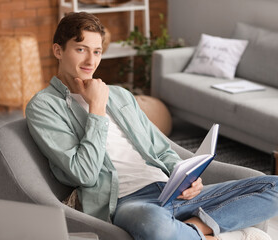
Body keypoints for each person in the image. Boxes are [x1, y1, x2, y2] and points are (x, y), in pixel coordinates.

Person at [25, 12, 278, 240]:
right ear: (58, 50)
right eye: (81, 49)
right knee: (153, 224)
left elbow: (161, 149)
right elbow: (84, 174)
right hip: (127, 202)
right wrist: (97, 109)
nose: (91, 60)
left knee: (274, 186)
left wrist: (186, 177)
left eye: (97, 51)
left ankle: (196, 230)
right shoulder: (44, 106)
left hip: (170, 190)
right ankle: (222, 235)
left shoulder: (120, 95)